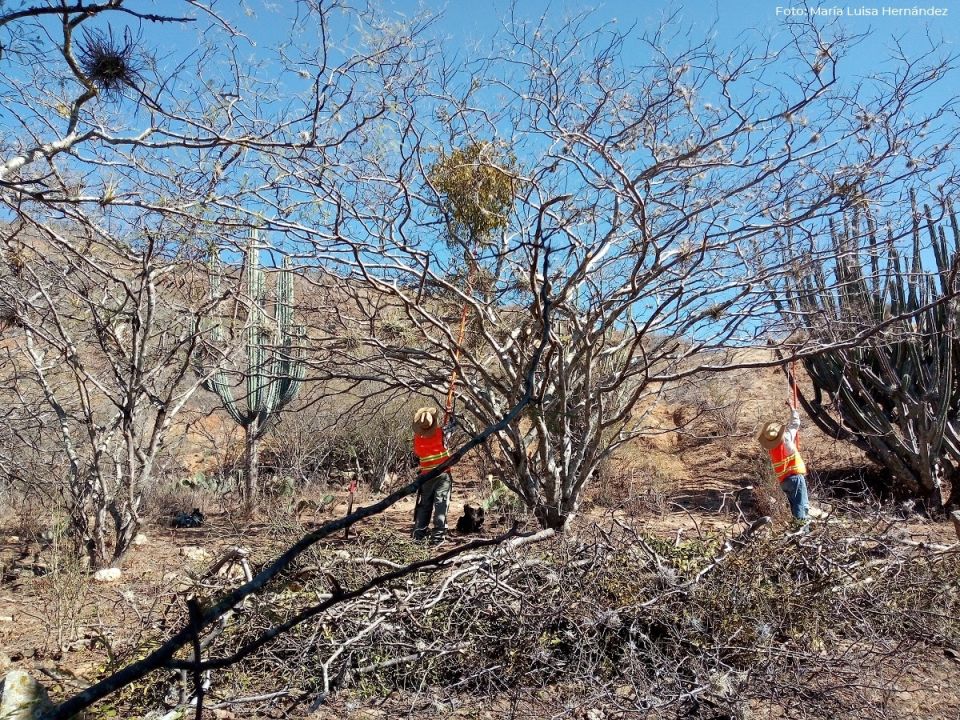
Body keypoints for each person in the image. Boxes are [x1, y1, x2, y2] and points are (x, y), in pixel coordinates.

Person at [758, 401, 809, 521]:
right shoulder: (786, 438)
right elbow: (795, 424)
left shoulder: (771, 448)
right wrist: (792, 409)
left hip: (783, 481)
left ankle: (798, 531)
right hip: (795, 478)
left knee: (795, 507)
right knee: (801, 507)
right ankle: (802, 533)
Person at [411, 406, 454, 544]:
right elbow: (453, 426)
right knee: (441, 505)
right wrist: (450, 412)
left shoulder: (417, 439)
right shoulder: (442, 433)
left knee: (424, 506)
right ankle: (437, 537)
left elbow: (418, 454)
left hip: (426, 476)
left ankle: (419, 535)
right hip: (442, 475)